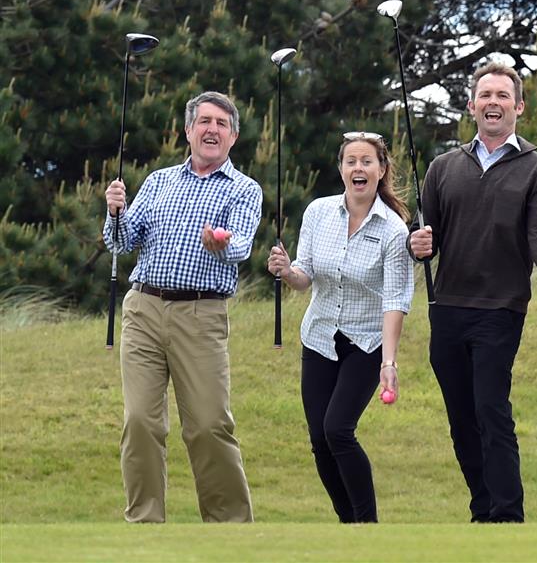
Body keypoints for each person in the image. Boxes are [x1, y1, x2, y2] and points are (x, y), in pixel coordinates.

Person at [408, 59, 537, 523]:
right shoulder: (443, 167)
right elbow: (427, 236)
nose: (493, 102)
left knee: (491, 409)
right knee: (462, 419)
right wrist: (417, 242)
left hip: (500, 309)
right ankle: (482, 509)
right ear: (471, 105)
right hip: (447, 307)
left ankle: (508, 516)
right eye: (485, 95)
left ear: (518, 107)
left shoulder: (536, 168)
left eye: (503, 95)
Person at [102, 90, 262, 523]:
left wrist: (219, 245)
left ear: (233, 137)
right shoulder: (158, 181)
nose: (212, 129)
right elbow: (121, 242)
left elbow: (242, 245)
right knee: (140, 422)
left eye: (221, 124)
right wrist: (114, 212)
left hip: (201, 314)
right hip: (144, 309)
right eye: (204, 121)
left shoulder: (244, 189)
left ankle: (229, 529)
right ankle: (145, 525)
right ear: (188, 131)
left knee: (209, 424)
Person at [266, 132, 414, 523]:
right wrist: (286, 272)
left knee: (338, 431)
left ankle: (367, 526)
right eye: (351, 161)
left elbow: (395, 300)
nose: (358, 168)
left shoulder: (395, 231)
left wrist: (389, 361)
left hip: (365, 344)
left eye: (367, 162)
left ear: (381, 171)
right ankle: (348, 526)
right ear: (341, 169)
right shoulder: (318, 212)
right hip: (319, 337)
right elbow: (305, 276)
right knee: (319, 440)